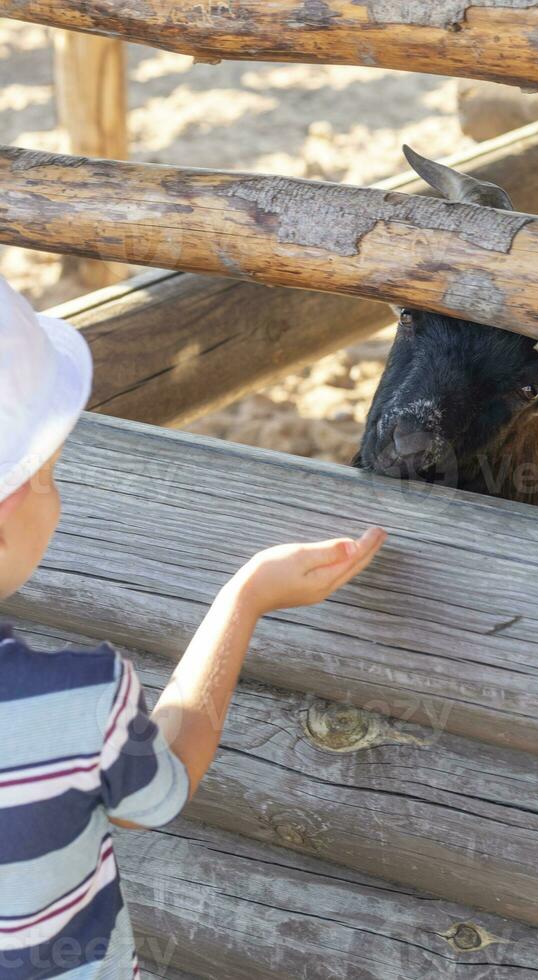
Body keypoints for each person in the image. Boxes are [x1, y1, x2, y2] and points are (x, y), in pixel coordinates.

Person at [0, 275, 387, 978]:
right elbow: (155, 794)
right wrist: (244, 601)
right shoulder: (76, 700)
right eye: (52, 475)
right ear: (6, 512)